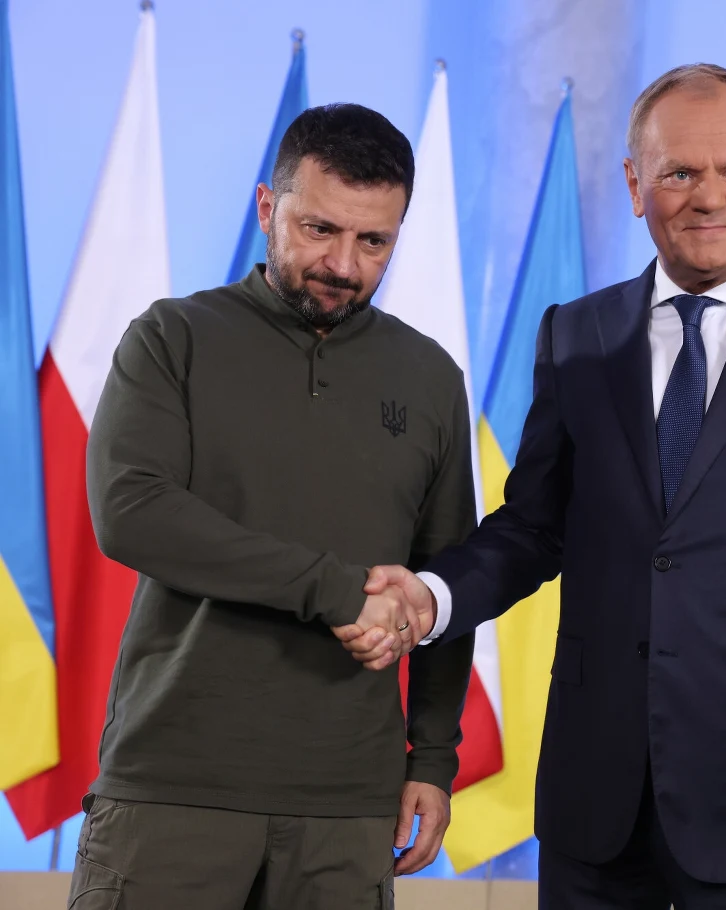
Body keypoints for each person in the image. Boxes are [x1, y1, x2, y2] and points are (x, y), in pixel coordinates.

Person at [346, 63, 726, 909]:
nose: (709, 197)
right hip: (594, 801)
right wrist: (431, 596)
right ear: (635, 185)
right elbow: (534, 528)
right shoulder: (576, 333)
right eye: (679, 172)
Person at [74, 103, 475, 910]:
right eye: (318, 229)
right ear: (267, 207)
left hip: (349, 806)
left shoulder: (432, 379)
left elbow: (443, 580)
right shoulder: (173, 338)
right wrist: (336, 590)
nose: (343, 264)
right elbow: (132, 511)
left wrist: (432, 758)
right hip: (172, 786)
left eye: (374, 242)